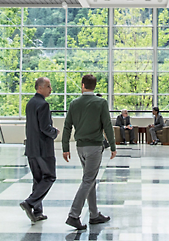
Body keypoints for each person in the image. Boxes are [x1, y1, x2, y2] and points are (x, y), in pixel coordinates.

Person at [62, 74, 117, 230]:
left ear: (82, 85)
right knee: (88, 180)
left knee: (89, 178)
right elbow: (107, 126)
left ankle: (94, 214)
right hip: (94, 147)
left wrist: (65, 148)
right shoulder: (100, 103)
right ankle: (73, 215)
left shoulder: (74, 103)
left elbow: (67, 127)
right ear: (94, 85)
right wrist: (113, 146)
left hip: (80, 147)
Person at [20, 77, 59, 224]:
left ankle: (37, 211)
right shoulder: (43, 104)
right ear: (40, 88)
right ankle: (30, 203)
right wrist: (55, 132)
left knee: (38, 179)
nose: (51, 89)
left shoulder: (30, 103)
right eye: (48, 86)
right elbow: (45, 127)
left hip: (31, 148)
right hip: (43, 149)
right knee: (49, 176)